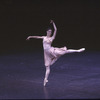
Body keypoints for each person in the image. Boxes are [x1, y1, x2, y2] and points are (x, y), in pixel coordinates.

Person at [26, 20, 85, 86]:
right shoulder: (44, 37)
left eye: (51, 32)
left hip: (52, 51)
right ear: (47, 32)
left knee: (65, 51)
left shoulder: (52, 38)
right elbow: (36, 37)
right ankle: (45, 79)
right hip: (46, 54)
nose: (50, 32)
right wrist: (30, 36)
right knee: (47, 67)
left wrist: (53, 23)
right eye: (49, 31)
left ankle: (78, 50)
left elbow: (56, 30)